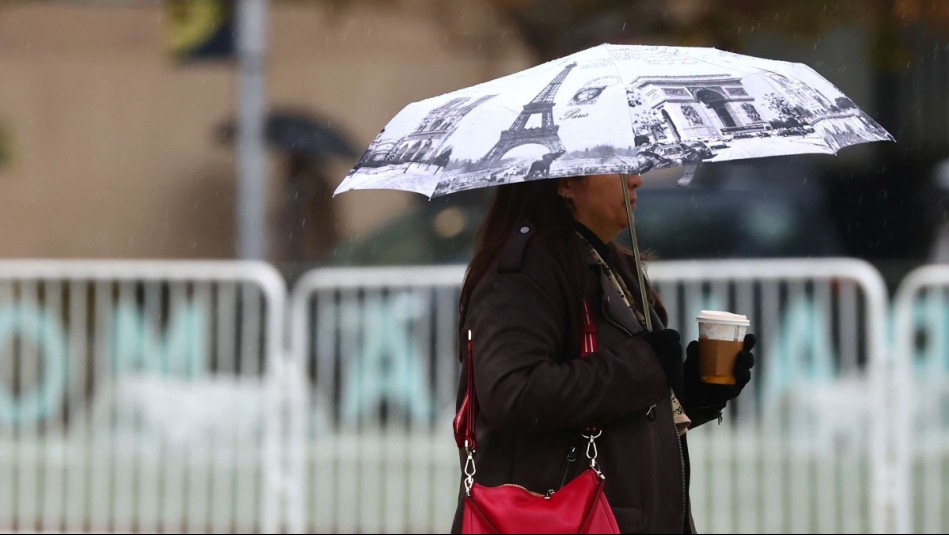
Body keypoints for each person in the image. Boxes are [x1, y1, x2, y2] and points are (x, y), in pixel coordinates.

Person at [451, 173, 756, 533]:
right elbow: (512, 393)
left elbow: (617, 408)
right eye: (618, 169)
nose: (636, 180)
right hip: (570, 521)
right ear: (565, 184)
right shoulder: (524, 272)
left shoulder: (605, 260)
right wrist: (645, 365)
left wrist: (692, 394)